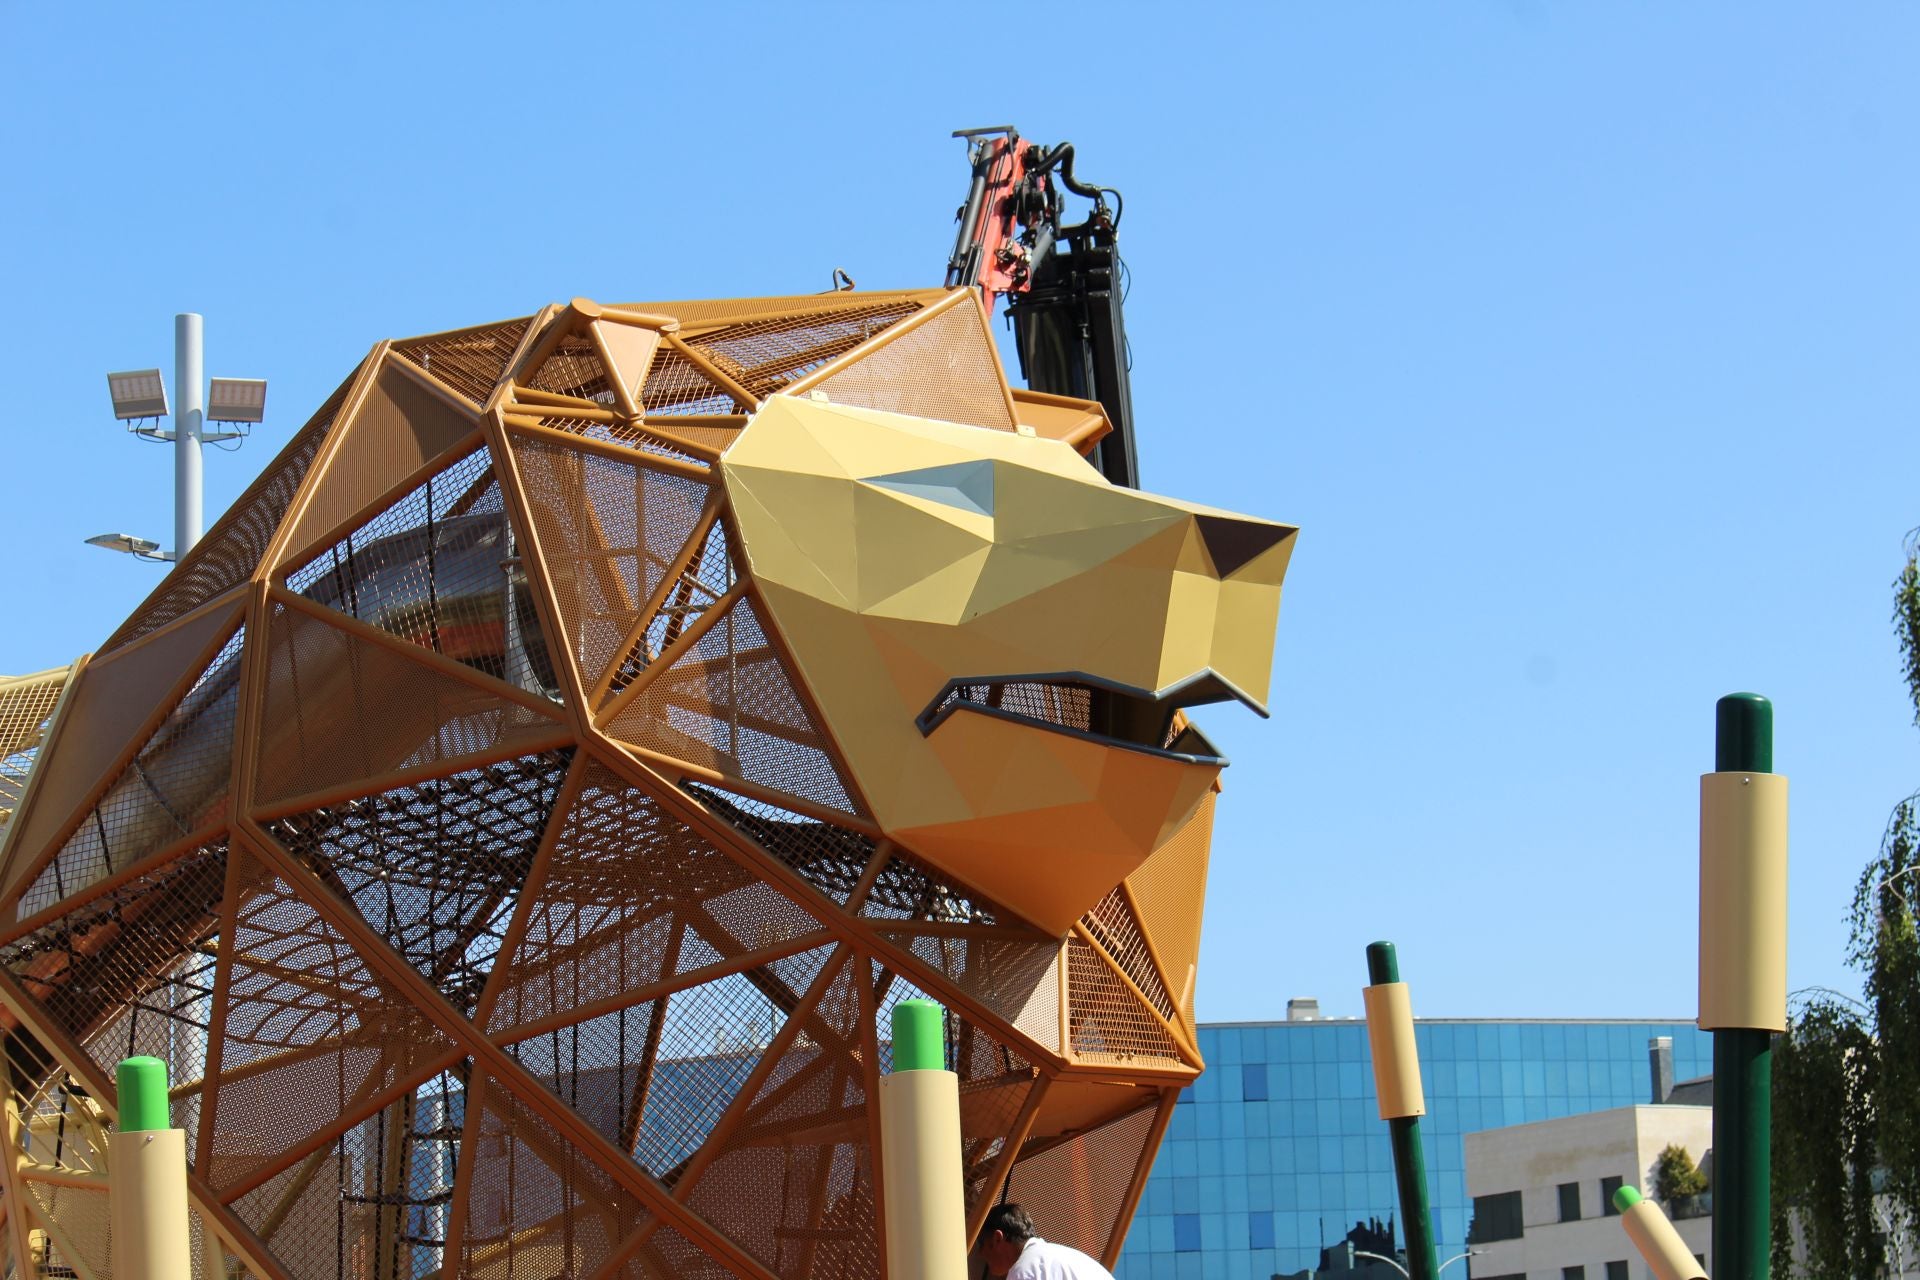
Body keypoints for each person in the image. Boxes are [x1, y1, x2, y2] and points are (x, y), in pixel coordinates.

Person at [976, 1202, 1117, 1280]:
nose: (980, 1253)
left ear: (997, 1238)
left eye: (981, 1244)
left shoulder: (1025, 1270)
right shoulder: (1057, 1256)